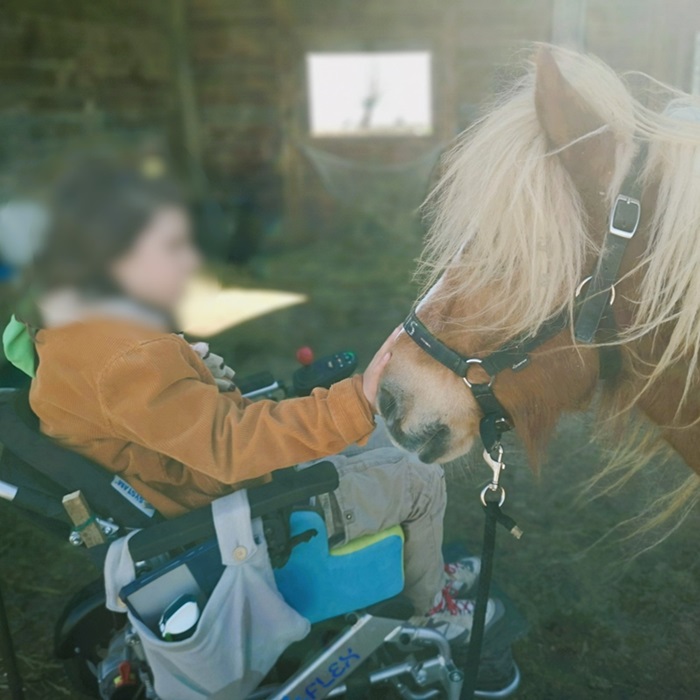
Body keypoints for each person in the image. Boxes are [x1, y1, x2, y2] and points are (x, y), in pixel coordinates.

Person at [12, 159, 498, 643]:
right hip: (237, 518)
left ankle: (422, 565)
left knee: (381, 435)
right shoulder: (123, 356)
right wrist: (356, 398)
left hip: (195, 491)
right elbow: (231, 446)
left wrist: (192, 371)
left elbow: (163, 421)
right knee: (421, 479)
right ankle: (426, 609)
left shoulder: (67, 337)